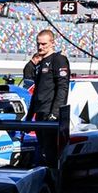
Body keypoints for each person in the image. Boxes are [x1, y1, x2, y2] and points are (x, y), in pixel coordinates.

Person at [23, 29, 70, 167]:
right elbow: (31, 83)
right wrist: (29, 116)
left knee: (50, 153)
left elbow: (63, 88)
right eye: (38, 44)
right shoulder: (41, 62)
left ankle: (54, 182)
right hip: (40, 113)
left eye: (44, 44)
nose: (40, 47)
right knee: (43, 150)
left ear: (52, 43)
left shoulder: (58, 59)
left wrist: (55, 113)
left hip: (51, 114)